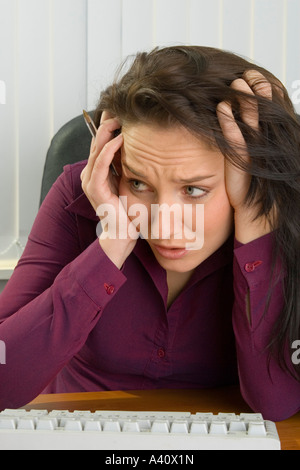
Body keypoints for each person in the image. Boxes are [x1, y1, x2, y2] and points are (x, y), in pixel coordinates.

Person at [0, 46, 299, 421]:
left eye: (193, 190)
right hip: (78, 430)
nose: (162, 226)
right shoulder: (77, 197)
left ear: (249, 176)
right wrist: (113, 240)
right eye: (138, 182)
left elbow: (277, 402)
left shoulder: (276, 212)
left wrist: (255, 224)